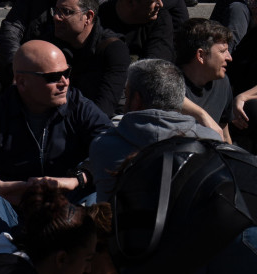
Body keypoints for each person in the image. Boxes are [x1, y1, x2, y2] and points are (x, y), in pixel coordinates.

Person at [0, 39, 112, 236]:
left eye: (67, 73)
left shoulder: (79, 106)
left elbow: (111, 146)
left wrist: (76, 179)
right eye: (54, 77)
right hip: (13, 207)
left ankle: (85, 258)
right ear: (22, 82)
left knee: (99, 193)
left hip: (68, 205)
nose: (64, 82)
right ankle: (2, 257)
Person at [88, 58, 221, 203]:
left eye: (127, 95)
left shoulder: (103, 145)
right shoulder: (210, 142)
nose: (125, 102)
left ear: (136, 99)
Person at [21, 0, 129, 116]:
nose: (56, 17)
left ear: (88, 17)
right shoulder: (50, 46)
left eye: (65, 12)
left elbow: (105, 107)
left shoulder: (113, 49)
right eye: (56, 10)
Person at [99, 0, 174, 62]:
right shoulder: (101, 16)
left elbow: (157, 63)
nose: (160, 4)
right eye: (153, 1)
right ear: (130, 2)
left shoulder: (161, 17)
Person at [177, 18, 234, 142]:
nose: (229, 58)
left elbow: (224, 133)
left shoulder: (222, 83)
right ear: (201, 55)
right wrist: (201, 114)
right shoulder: (170, 82)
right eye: (223, 51)